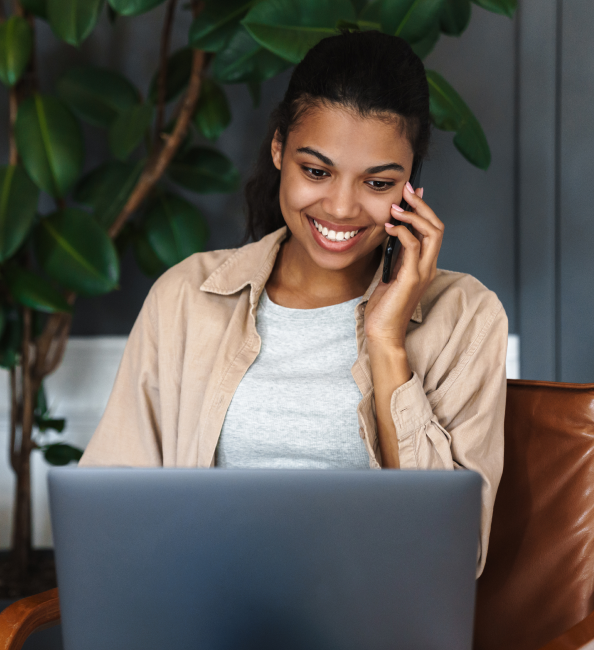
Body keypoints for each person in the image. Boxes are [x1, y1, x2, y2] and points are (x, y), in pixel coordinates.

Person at [79, 29, 507, 577]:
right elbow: (111, 510)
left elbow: (451, 557)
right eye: (316, 171)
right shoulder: (188, 298)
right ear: (279, 148)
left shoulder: (465, 317)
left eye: (378, 183)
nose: (342, 207)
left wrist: (387, 342)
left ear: (409, 189)